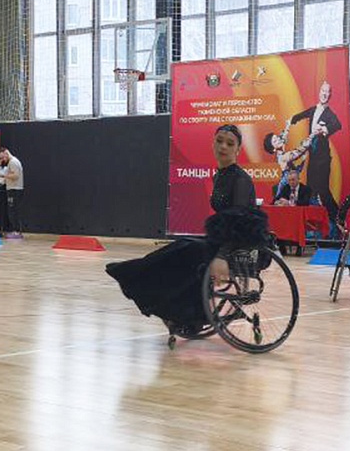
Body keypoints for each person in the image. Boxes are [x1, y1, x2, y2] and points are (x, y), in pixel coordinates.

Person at [106, 124, 269, 336]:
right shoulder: (220, 176)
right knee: (179, 247)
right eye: (219, 141)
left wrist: (221, 256)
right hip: (222, 239)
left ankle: (184, 312)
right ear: (212, 144)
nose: (223, 146)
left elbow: (240, 222)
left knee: (186, 251)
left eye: (230, 144)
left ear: (238, 150)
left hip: (238, 244)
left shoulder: (240, 179)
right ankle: (173, 306)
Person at [289, 81, 342, 221]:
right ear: (319, 92)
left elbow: (338, 124)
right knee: (310, 189)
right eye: (323, 91)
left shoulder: (330, 114)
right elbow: (303, 114)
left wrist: (324, 129)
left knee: (323, 190)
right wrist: (293, 119)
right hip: (313, 157)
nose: (325, 94)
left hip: (323, 159)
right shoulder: (314, 109)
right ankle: (310, 220)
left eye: (327, 92)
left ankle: (337, 217)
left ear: (330, 95)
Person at [263, 119, 319, 200]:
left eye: (277, 137)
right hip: (287, 183)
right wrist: (312, 136)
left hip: (291, 179)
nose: (278, 139)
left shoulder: (280, 148)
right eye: (275, 141)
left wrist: (288, 125)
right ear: (274, 149)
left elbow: (283, 138)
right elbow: (298, 151)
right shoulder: (283, 157)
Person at [0, 146, 24, 239]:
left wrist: (4, 175)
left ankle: (17, 231)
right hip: (12, 188)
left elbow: (16, 176)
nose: (3, 160)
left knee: (14, 211)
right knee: (12, 211)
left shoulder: (13, 162)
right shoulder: (11, 162)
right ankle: (15, 230)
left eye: (3, 157)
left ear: (6, 153)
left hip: (15, 189)